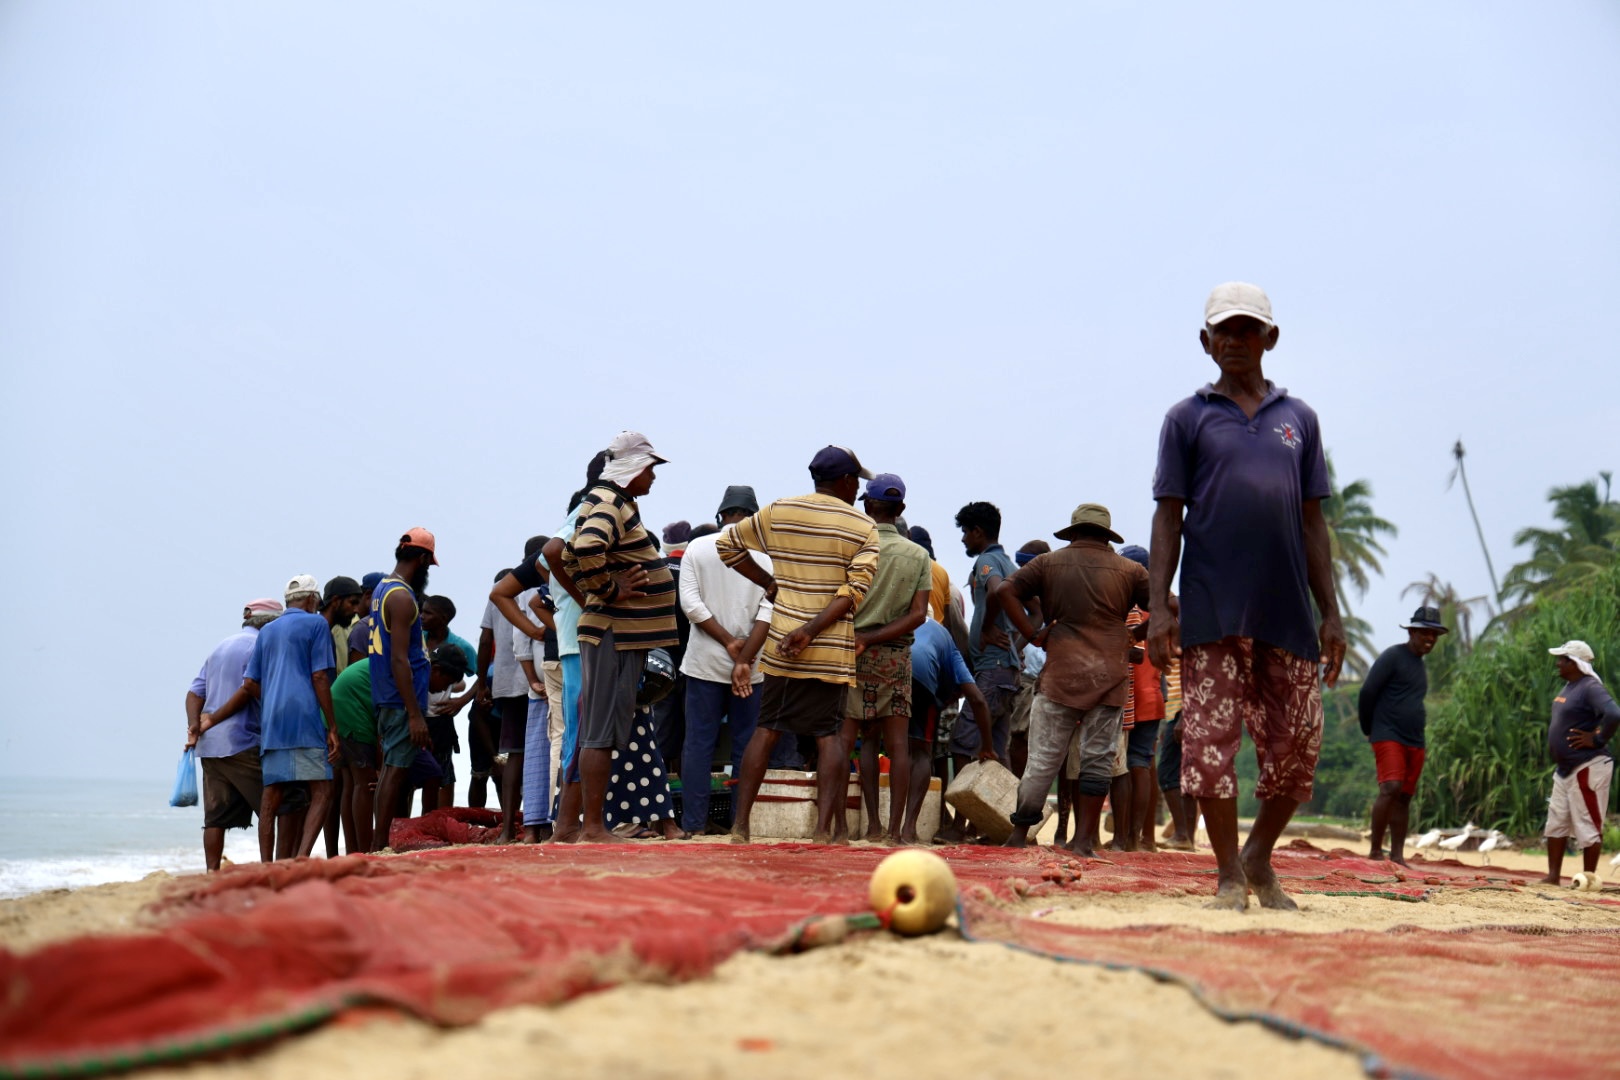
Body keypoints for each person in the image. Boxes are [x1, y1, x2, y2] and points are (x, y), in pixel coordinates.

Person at [1147, 282, 1345, 911]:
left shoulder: (1299, 420)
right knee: (1209, 743)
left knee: (1300, 743)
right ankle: (1229, 874)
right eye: (1223, 331)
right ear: (1206, 342)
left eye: (1247, 329)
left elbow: (1313, 523)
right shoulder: (1187, 418)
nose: (1235, 340)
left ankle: (1259, 855)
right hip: (1212, 608)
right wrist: (1159, 606)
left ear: (1270, 338)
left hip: (1287, 611)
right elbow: (1168, 516)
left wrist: (1332, 613)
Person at [720, 445, 880, 844]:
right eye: (855, 482)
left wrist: (769, 583)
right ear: (846, 481)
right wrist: (811, 630)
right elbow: (853, 591)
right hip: (830, 649)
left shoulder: (779, 511)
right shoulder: (863, 527)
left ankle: (741, 827)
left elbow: (727, 545)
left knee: (767, 729)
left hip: (782, 644)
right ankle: (823, 831)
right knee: (829, 736)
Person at [994, 505, 1148, 855]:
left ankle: (1019, 834)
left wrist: (1033, 635)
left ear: (1073, 532)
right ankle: (1083, 841)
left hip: (1060, 674)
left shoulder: (1048, 564)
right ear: (1107, 536)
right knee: (1098, 759)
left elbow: (1004, 591)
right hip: (1109, 676)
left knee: (1042, 760)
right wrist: (1134, 635)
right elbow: (1171, 607)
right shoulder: (1130, 570)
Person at [558, 431, 681, 843]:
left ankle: (581, 827)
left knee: (600, 730)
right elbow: (585, 547)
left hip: (615, 634)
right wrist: (609, 591)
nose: (654, 477)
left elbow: (567, 554)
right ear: (633, 468)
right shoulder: (611, 502)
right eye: (650, 468)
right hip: (615, 634)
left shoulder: (604, 500)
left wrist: (596, 589)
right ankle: (593, 828)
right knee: (600, 733)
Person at [204, 575, 339, 862]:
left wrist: (274, 699)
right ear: (312, 599)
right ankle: (301, 857)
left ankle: (267, 864)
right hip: (304, 716)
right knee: (322, 789)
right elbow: (319, 676)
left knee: (271, 795)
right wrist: (332, 726)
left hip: (272, 721)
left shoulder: (267, 631)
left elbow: (250, 683)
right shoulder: (317, 624)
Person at [677, 484, 777, 835]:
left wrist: (727, 643)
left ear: (721, 515)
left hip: (704, 662)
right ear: (754, 519)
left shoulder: (698, 548)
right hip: (753, 668)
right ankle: (740, 824)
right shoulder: (768, 555)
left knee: (698, 745)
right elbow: (769, 612)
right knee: (746, 746)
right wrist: (744, 659)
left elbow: (691, 605)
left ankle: (694, 824)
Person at [842, 473, 930, 842]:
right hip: (895, 658)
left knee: (852, 741)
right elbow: (918, 615)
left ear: (866, 505)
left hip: (850, 652)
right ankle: (895, 831)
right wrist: (876, 636)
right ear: (901, 509)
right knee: (897, 746)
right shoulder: (918, 555)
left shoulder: (854, 548)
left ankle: (852, 827)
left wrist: (861, 636)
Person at [937, 501, 1019, 842]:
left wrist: (986, 629)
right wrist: (1021, 639)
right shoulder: (1011, 564)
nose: (963, 540)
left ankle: (961, 824)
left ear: (978, 532)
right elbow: (1035, 609)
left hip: (991, 670)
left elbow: (998, 591)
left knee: (963, 743)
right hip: (1005, 671)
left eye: (965, 533)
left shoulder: (987, 562)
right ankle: (1000, 825)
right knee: (996, 751)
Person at [185, 598, 281, 870]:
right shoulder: (260, 645)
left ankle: (212, 872)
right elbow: (248, 689)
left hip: (210, 745)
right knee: (273, 806)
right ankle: (270, 867)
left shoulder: (221, 646)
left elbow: (194, 693)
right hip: (242, 740)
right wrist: (214, 719)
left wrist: (195, 724)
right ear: (271, 625)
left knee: (215, 818)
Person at [1358, 606, 1447, 865]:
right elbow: (1367, 692)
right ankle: (1376, 850)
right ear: (1411, 632)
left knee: (1405, 795)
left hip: (1415, 738)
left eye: (1434, 635)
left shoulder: (1419, 665)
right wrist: (1368, 728)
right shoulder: (1393, 656)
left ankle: (1397, 855)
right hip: (1388, 733)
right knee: (1391, 788)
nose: (1429, 639)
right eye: (1425, 633)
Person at [369, 530, 438, 852]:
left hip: (389, 695)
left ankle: (379, 843)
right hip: (399, 699)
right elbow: (399, 658)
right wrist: (414, 714)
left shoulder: (383, 589)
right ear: (422, 559)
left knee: (391, 770)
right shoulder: (401, 597)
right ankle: (379, 845)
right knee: (395, 772)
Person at [1536, 640, 1619, 885]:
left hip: (1587, 765)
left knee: (1587, 823)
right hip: (1564, 769)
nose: (1558, 664)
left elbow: (1614, 713)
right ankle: (1553, 876)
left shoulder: (1590, 687)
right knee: (1556, 821)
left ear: (1575, 663)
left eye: (1562, 659)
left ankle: (1588, 878)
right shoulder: (1569, 687)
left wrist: (1598, 739)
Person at [906, 617, 993, 844]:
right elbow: (978, 700)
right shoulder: (955, 655)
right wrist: (987, 746)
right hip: (921, 672)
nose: (954, 699)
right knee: (921, 753)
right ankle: (908, 830)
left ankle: (885, 829)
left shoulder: (922, 625)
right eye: (957, 695)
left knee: (896, 747)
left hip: (891, 664)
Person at [1118, 545, 1164, 852]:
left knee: (1125, 764)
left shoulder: (1126, 608)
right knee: (1143, 761)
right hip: (1153, 695)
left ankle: (1127, 836)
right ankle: (1141, 837)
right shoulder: (1159, 610)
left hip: (1129, 697)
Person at [513, 579, 557, 842]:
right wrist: (533, 681)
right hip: (544, 688)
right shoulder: (529, 595)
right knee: (543, 757)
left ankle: (544, 826)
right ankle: (534, 827)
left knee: (545, 756)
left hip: (550, 684)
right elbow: (521, 641)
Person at [321, 577, 365, 675]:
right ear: (335, 601)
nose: (356, 610)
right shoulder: (319, 632)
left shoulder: (327, 632)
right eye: (353, 603)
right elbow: (319, 676)